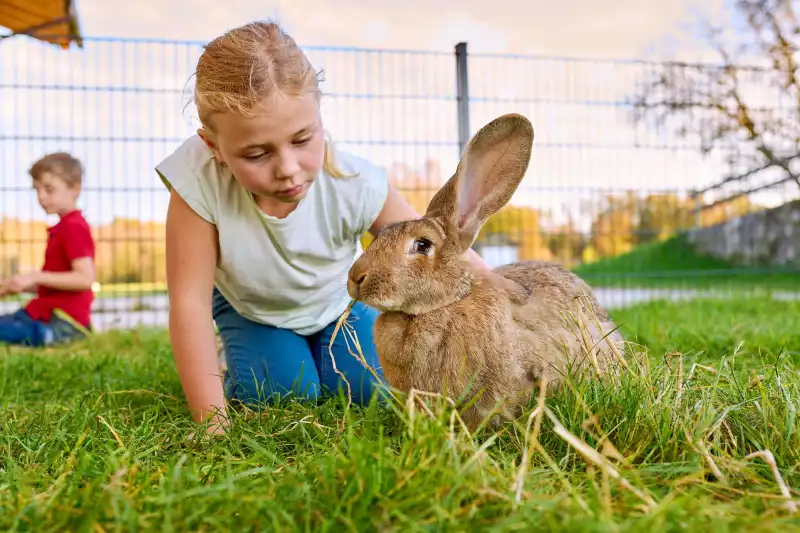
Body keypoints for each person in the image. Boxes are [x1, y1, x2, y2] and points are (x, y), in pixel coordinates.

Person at [156, 20, 490, 435]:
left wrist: (504, 293)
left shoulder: (354, 181)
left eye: (302, 139)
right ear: (214, 148)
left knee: (373, 390)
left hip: (338, 307)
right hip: (255, 310)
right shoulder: (196, 182)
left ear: (318, 115)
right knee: (285, 394)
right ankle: (236, 360)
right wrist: (212, 423)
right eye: (256, 154)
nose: (288, 169)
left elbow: (438, 249)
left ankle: (318, 354)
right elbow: (188, 301)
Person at [0, 152, 95, 346]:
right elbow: (57, 282)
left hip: (63, 320)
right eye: (37, 190)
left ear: (74, 189)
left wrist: (36, 276)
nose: (41, 197)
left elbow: (85, 279)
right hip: (46, 312)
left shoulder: (74, 227)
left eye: (49, 189)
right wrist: (18, 284)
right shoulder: (63, 228)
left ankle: (58, 336)